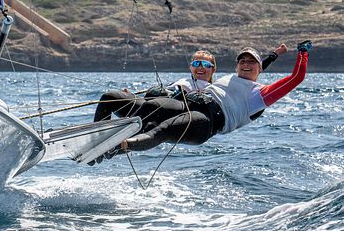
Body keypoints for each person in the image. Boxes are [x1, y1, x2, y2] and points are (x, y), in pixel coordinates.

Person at [99, 40, 310, 160]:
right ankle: (96, 136)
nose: (246, 64)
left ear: (259, 69)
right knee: (137, 103)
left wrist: (302, 52)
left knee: (161, 130)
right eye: (242, 61)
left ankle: (116, 146)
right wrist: (275, 54)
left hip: (208, 121)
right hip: (189, 105)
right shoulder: (233, 78)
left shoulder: (260, 95)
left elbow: (296, 78)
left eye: (251, 62)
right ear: (237, 66)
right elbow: (258, 65)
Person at [93, 45, 286, 123]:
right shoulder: (183, 81)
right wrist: (132, 95)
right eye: (196, 64)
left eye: (205, 64)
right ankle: (98, 136)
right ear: (191, 67)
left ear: (213, 69)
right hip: (149, 107)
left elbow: (253, 70)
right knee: (110, 97)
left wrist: (275, 55)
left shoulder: (215, 88)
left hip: (167, 115)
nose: (200, 68)